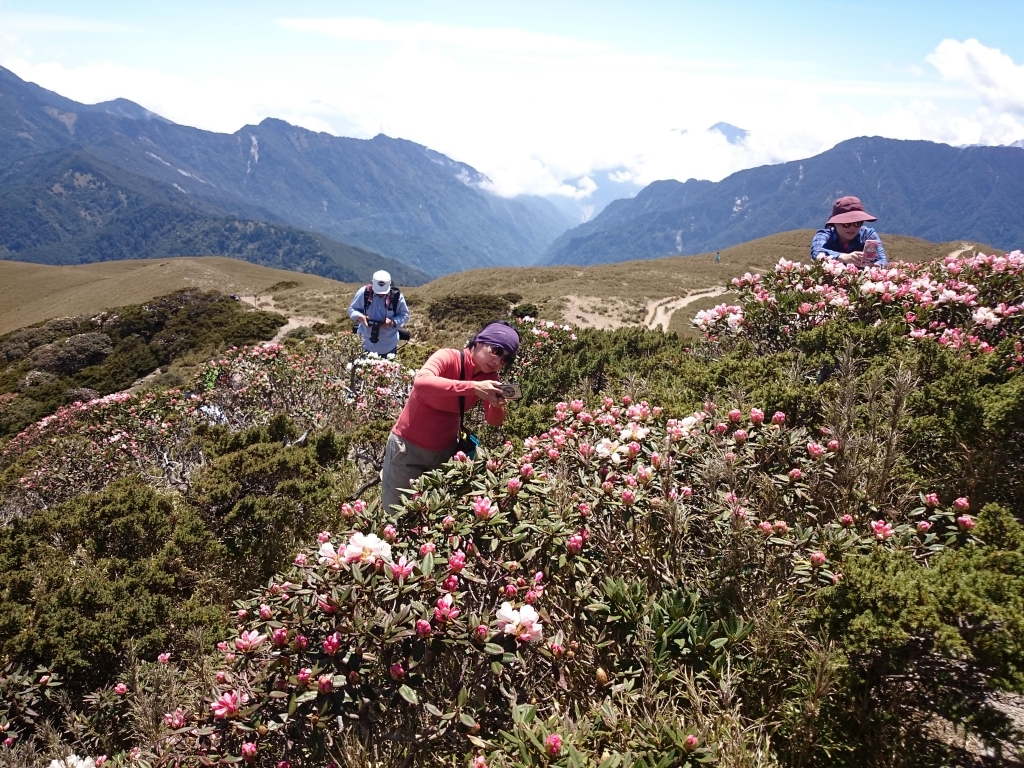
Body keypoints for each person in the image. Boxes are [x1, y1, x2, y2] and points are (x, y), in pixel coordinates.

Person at [380, 321, 520, 512]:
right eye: (496, 350)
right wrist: (472, 387)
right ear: (479, 341)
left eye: (506, 359)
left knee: (434, 515)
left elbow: (493, 421)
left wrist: (496, 404)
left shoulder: (491, 378)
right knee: (396, 514)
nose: (498, 361)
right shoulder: (448, 357)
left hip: (445, 454)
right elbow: (421, 382)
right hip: (407, 451)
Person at [811, 196, 889, 267]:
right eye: (846, 224)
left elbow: (883, 261)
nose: (852, 228)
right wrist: (842, 257)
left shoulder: (868, 234)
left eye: (858, 223)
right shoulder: (823, 235)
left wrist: (875, 266)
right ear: (835, 223)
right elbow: (817, 253)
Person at [347, 270, 410, 356]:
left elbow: (404, 315)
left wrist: (392, 322)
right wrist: (361, 317)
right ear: (372, 283)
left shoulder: (396, 297)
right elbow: (352, 310)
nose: (381, 294)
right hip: (364, 345)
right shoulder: (364, 293)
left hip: (388, 347)